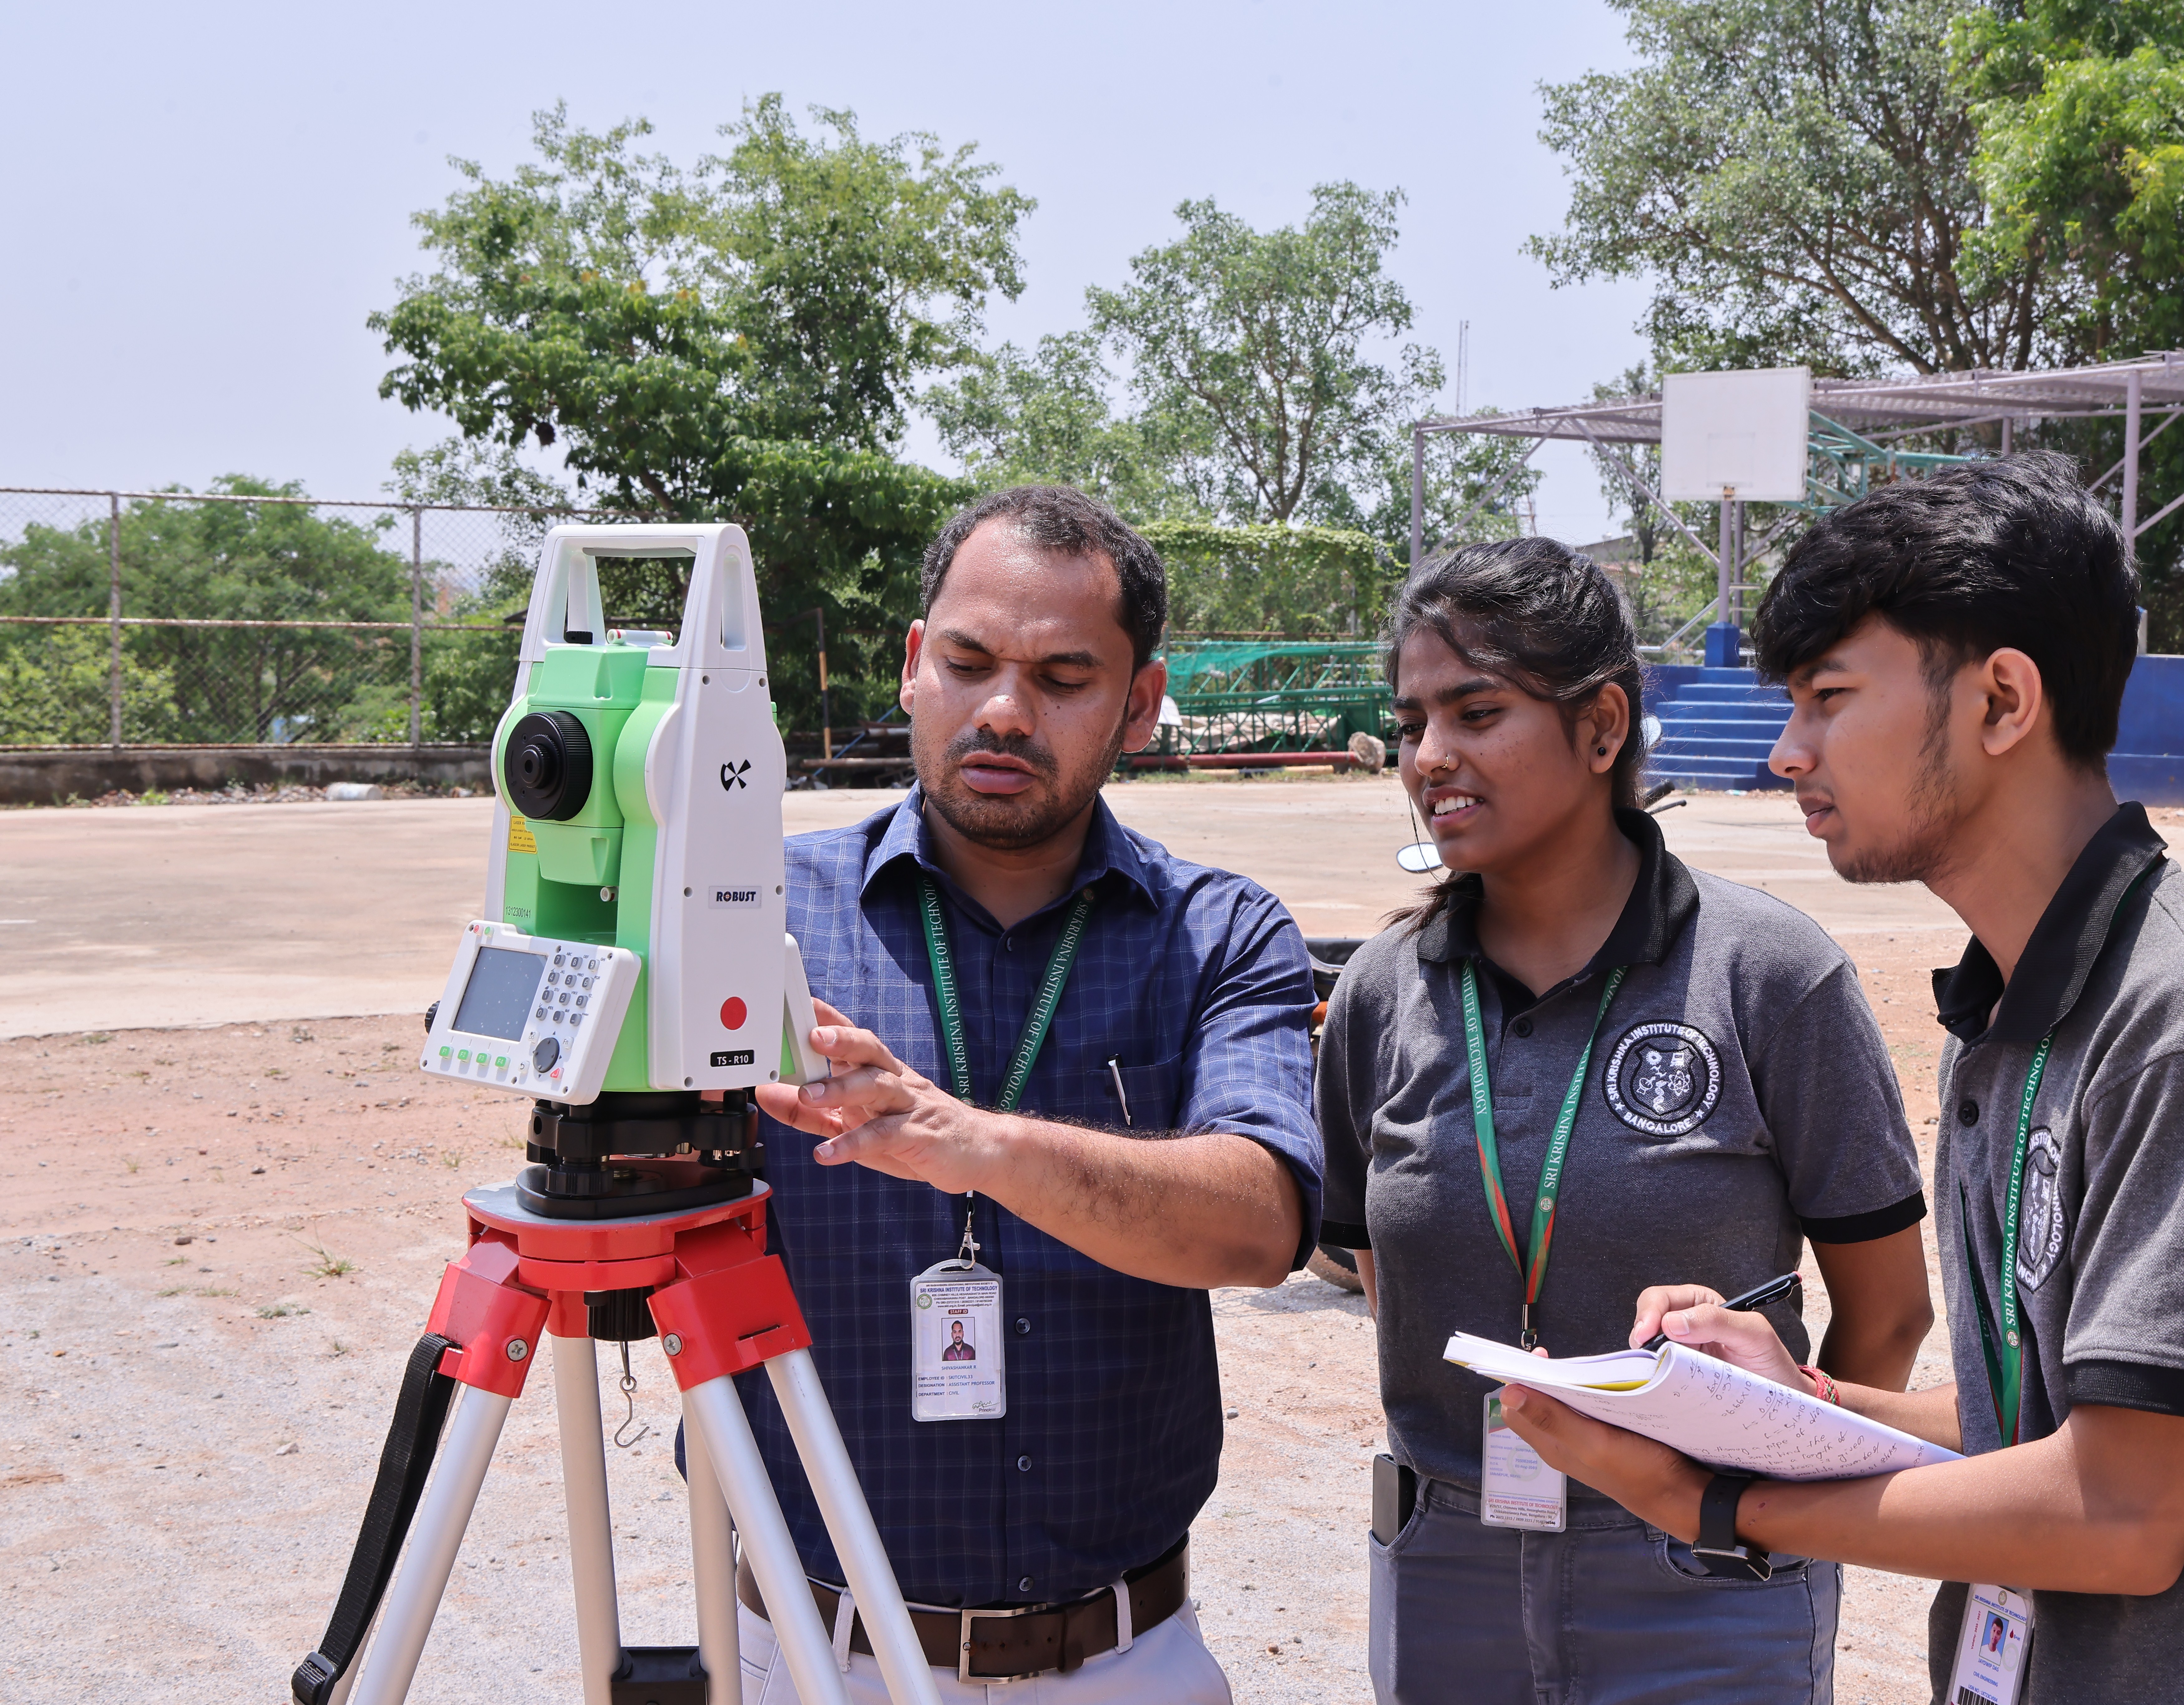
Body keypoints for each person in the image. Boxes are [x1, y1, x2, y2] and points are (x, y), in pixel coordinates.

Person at [1497, 452, 2184, 1705]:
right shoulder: (2006, 1018)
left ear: (2002, 701)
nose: (1787, 752)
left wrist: (1719, 1505)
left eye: (1829, 697)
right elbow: (2045, 1426)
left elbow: (2121, 1510)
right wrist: (1804, 1396)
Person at [1315, 537, 1937, 1705]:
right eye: (1410, 725)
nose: (1430, 758)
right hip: (1447, 1567)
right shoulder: (1381, 996)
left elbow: (1891, 1307)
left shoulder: (1770, 975)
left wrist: (1769, 1509)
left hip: (1705, 1569)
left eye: (1477, 712)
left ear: (1602, 728)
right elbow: (1390, 1282)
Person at [736, 485, 1321, 1703]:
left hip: (1122, 1660)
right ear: (913, 666)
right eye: (967, 664)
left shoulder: (1218, 935)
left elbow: (1260, 1225)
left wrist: (979, 1146)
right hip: (801, 1653)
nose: (1003, 711)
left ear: (1140, 706)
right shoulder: (754, 922)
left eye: (1061, 678)